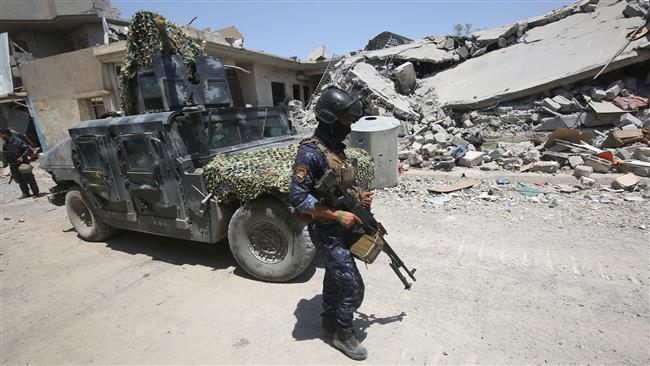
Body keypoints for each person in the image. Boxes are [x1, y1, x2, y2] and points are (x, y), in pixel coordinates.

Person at [289, 87, 373, 361]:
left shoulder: (335, 149)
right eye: (345, 122)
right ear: (329, 120)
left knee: (335, 278)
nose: (349, 128)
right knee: (352, 287)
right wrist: (336, 215)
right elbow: (298, 197)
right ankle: (343, 333)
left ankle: (328, 320)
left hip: (345, 228)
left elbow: (341, 185)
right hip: (328, 231)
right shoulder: (309, 154)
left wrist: (360, 198)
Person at [1, 129, 40, 199]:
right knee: (20, 179)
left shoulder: (17, 141)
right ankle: (26, 193)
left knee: (29, 178)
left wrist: (22, 157)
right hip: (13, 165)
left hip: (22, 163)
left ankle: (35, 192)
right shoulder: (5, 145)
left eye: (1, 135)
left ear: (6, 134)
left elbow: (27, 149)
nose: (1, 137)